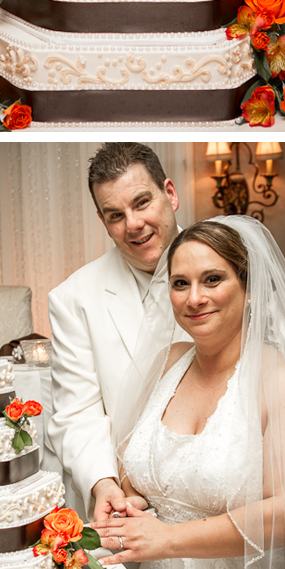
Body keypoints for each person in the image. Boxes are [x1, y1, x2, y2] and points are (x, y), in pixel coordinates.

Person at [94, 216, 285, 569]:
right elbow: (135, 461)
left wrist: (169, 539)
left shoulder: (284, 382)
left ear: (249, 286)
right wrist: (128, 499)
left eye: (212, 279)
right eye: (180, 284)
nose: (194, 298)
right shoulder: (167, 362)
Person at [47, 143, 182, 519]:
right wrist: (103, 482)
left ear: (169, 194)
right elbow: (76, 412)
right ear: (102, 221)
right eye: (115, 215)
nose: (133, 225)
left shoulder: (233, 266)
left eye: (142, 203)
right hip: (129, 505)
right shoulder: (72, 298)